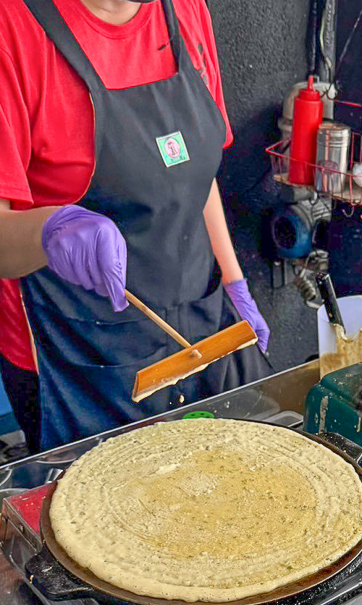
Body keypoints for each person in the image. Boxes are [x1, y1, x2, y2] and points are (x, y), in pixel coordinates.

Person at [0, 0, 271, 454]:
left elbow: (194, 176)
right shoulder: (13, 27)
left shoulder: (186, 10)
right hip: (80, 359)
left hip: (203, 322)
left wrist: (235, 283)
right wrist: (50, 230)